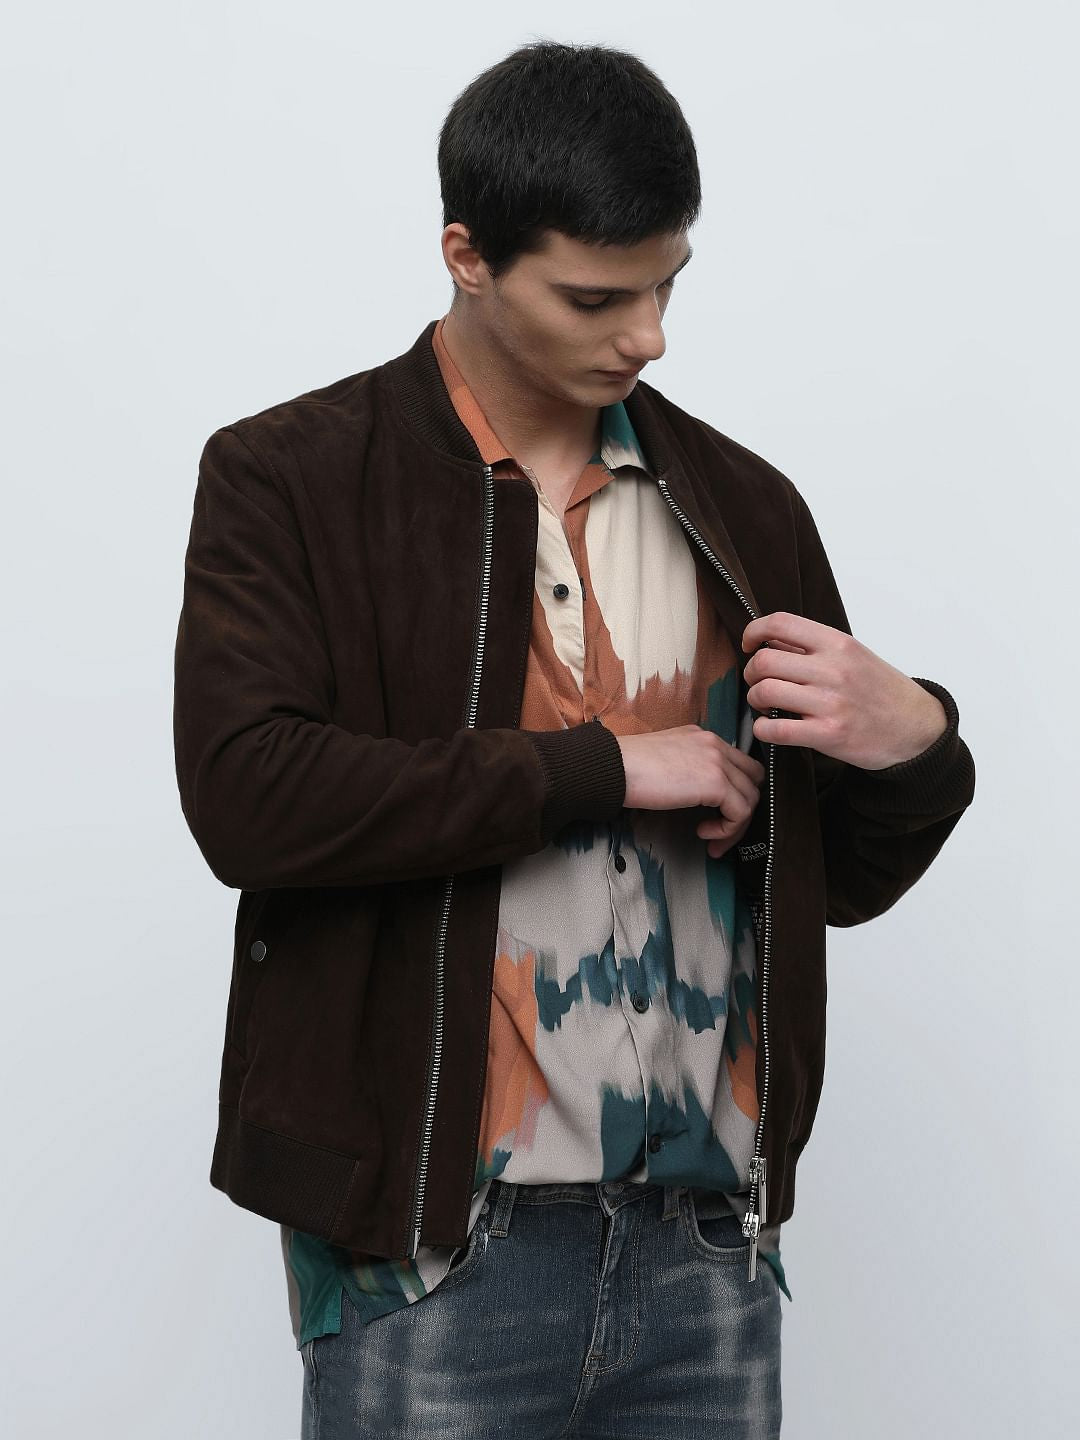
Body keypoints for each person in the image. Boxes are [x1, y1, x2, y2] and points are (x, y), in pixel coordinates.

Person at [172, 39, 976, 1440]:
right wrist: (603, 768)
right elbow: (250, 799)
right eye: (599, 297)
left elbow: (830, 882)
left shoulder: (744, 507)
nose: (648, 336)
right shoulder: (291, 477)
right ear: (466, 256)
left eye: (670, 285)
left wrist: (921, 742)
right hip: (433, 1256)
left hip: (707, 1252)